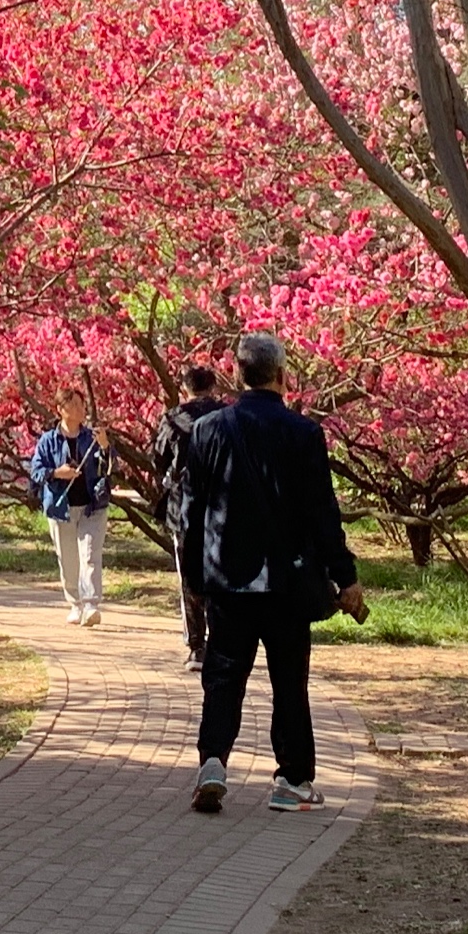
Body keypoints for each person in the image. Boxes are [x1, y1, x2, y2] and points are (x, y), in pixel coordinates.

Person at [169, 332, 368, 812]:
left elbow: (189, 512)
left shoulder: (207, 431)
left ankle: (213, 761)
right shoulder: (303, 434)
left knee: (223, 676)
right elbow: (324, 514)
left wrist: (194, 578)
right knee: (288, 682)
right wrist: (345, 575)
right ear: (283, 376)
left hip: (227, 581)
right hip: (286, 582)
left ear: (238, 376)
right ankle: (292, 780)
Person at [148, 364, 227, 675]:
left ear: (186, 388)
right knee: (221, 572)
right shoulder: (226, 416)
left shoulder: (173, 418)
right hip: (223, 505)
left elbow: (157, 458)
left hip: (183, 506)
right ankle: (222, 641)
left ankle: (197, 645)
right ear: (213, 387)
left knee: (189, 575)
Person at [26, 410, 111, 625]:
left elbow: (109, 467)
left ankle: (91, 604)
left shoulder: (91, 437)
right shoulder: (48, 440)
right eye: (72, 404)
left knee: (90, 554)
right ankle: (75, 603)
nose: (78, 408)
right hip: (61, 507)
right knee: (68, 559)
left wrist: (104, 446)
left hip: (92, 506)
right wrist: (56, 473)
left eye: (79, 404)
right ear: (60, 409)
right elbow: (36, 469)